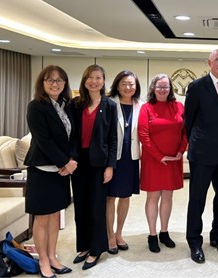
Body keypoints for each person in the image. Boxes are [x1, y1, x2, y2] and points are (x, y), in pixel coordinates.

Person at [184, 49, 218, 263]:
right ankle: (194, 242)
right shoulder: (197, 87)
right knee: (197, 199)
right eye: (217, 60)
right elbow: (189, 120)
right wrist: (197, 143)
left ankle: (217, 236)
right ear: (209, 62)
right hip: (202, 153)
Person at [24, 65, 77, 278]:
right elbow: (43, 140)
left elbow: (73, 136)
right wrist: (64, 162)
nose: (55, 84)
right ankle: (43, 260)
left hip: (61, 171)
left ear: (65, 83)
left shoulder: (66, 105)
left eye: (59, 80)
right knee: (43, 218)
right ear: (42, 83)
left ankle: (53, 256)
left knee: (56, 215)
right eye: (50, 80)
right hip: (43, 169)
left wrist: (71, 160)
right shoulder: (36, 106)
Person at [69, 64, 118, 270]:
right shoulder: (75, 104)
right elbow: (70, 134)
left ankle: (97, 249)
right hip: (78, 161)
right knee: (80, 205)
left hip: (99, 162)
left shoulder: (109, 105)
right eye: (90, 77)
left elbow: (113, 138)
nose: (94, 81)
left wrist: (110, 166)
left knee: (97, 206)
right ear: (84, 80)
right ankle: (84, 246)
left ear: (104, 81)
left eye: (98, 78)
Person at [138, 74, 187, 253]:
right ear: (153, 88)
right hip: (154, 160)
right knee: (153, 198)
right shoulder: (146, 108)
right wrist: (159, 156)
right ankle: (152, 235)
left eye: (165, 87)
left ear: (170, 89)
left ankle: (164, 232)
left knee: (168, 196)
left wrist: (181, 150)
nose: (162, 90)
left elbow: (185, 131)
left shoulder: (178, 106)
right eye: (159, 86)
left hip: (174, 159)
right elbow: (143, 135)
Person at [106, 70, 144, 255]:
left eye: (131, 84)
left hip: (131, 157)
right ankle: (109, 235)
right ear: (117, 85)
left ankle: (119, 233)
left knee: (125, 196)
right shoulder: (109, 103)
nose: (128, 87)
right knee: (110, 197)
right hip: (113, 158)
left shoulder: (141, 105)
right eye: (124, 84)